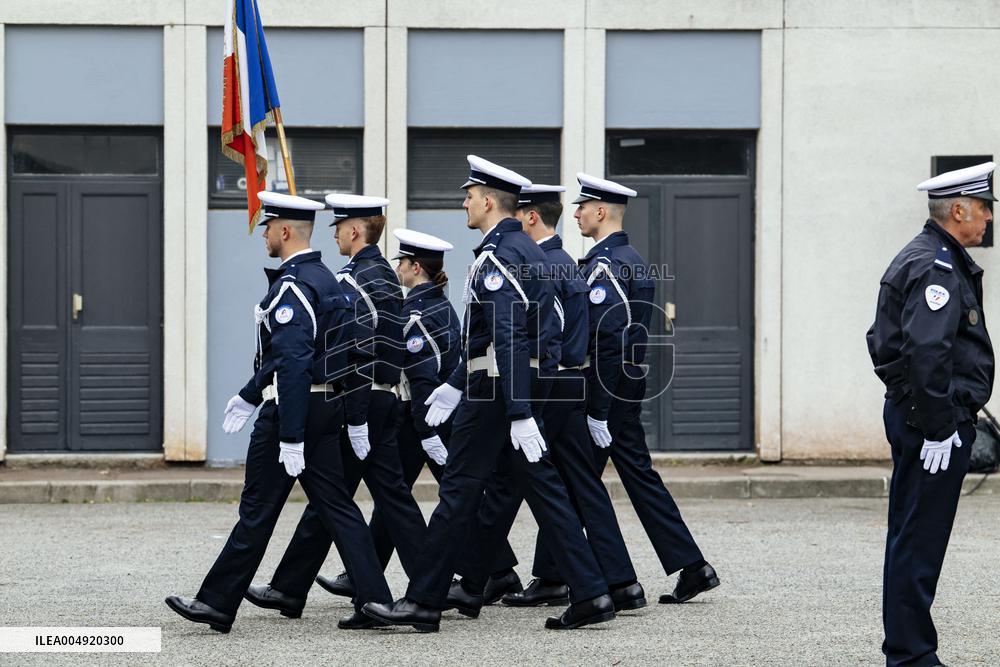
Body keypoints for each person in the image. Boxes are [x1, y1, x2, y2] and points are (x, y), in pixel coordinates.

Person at [361, 156, 614, 633]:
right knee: (544, 489)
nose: (465, 202)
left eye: (470, 195)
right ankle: (593, 592)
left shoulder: (498, 256)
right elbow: (534, 333)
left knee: (457, 490)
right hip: (508, 384)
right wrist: (456, 384)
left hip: (499, 389)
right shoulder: (530, 251)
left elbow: (509, 333)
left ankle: (423, 601)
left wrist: (517, 409)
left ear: (489, 201)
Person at [165, 191, 393, 633]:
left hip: (294, 409)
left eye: (268, 227)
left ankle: (216, 602)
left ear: (285, 231)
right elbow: (346, 354)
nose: (264, 234)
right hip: (325, 406)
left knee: (257, 509)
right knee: (338, 508)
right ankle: (376, 600)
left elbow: (291, 362)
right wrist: (250, 393)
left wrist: (289, 434)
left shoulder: (293, 287)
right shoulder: (329, 279)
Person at [450, 184, 644, 615]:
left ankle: (483, 577)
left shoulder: (546, 265)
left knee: (511, 485)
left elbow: (539, 338)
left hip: (548, 388)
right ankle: (616, 582)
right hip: (564, 387)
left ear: (529, 217)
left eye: (515, 217)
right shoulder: (560, 262)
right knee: (566, 486)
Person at [246, 194, 427, 630]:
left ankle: (408, 591)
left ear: (353, 231)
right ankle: (295, 585)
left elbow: (353, 351)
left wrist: (354, 412)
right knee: (362, 498)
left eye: (338, 227)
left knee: (335, 500)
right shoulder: (383, 273)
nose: (334, 234)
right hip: (385, 397)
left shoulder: (353, 281)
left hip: (359, 401)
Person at [867, 161, 995, 667]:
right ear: (958, 209)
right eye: (984, 208)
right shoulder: (937, 265)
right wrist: (941, 427)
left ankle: (907, 648)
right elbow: (925, 352)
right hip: (931, 423)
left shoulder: (928, 256)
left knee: (909, 536)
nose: (988, 218)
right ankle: (912, 655)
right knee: (919, 543)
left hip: (917, 415)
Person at [574, 172, 720, 604]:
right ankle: (693, 566)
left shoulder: (606, 266)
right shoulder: (632, 258)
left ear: (601, 211)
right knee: (634, 474)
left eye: (582, 207)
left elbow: (609, 338)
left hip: (609, 385)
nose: (577, 214)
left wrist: (597, 409)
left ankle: (608, 580)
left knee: (577, 478)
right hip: (628, 380)